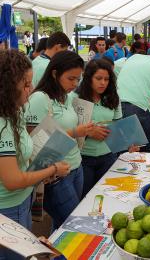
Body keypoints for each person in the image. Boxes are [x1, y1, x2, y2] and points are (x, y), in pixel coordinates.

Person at [0, 49, 70, 259]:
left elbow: (19, 160)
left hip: (22, 201)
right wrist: (53, 168)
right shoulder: (3, 123)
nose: (30, 90)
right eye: (26, 84)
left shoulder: (14, 112)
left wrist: (39, 170)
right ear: (8, 86)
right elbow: (13, 180)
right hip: (9, 208)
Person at [25, 50, 94, 230]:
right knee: (74, 227)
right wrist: (74, 132)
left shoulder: (67, 97)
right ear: (55, 73)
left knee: (62, 227)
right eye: (71, 78)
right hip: (55, 176)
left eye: (78, 79)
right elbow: (32, 140)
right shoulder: (40, 99)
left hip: (75, 167)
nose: (75, 83)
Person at [75, 60, 122, 197]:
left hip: (108, 157)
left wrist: (128, 142)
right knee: (85, 198)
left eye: (106, 79)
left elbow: (118, 125)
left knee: (107, 196)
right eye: (98, 78)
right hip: (84, 159)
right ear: (88, 78)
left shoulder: (113, 98)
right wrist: (89, 132)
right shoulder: (75, 98)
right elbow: (68, 129)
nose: (103, 83)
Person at [117, 51, 150, 152]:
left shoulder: (134, 57)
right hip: (137, 108)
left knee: (122, 153)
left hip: (116, 105)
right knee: (141, 153)